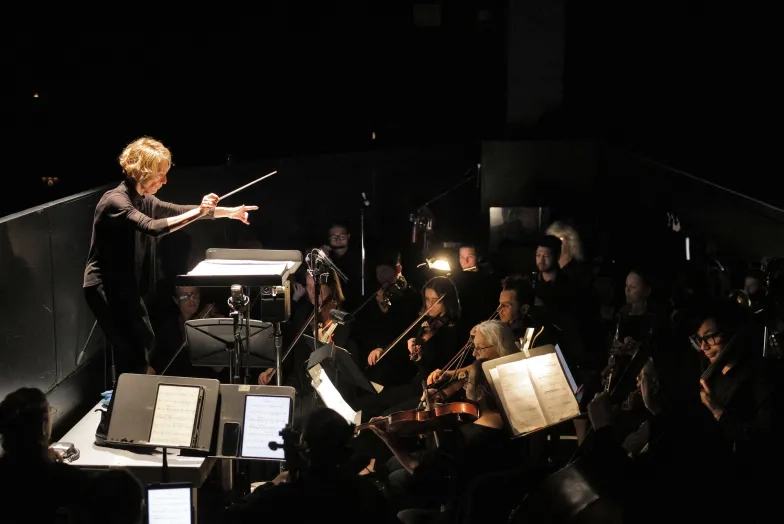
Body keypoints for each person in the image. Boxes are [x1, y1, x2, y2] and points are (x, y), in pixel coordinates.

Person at [83, 137, 259, 377]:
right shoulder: (115, 201)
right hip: (105, 287)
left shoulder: (145, 200)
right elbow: (152, 227)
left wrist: (229, 212)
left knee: (145, 342)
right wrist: (200, 211)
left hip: (126, 285)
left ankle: (132, 392)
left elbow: (178, 211)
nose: (165, 180)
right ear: (142, 172)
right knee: (132, 352)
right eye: (160, 174)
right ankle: (127, 396)